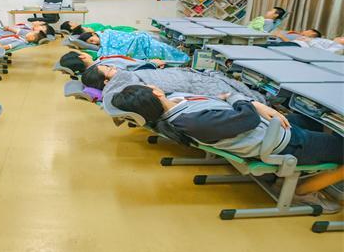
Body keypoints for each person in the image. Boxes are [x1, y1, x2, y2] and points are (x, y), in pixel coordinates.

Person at [111, 85, 342, 165]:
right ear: (156, 92)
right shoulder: (191, 121)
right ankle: (303, 193)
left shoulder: (176, 104)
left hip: (270, 127)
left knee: (318, 117)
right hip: (285, 143)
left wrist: (232, 99)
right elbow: (247, 117)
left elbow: (221, 99)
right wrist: (249, 101)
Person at [85, 64, 265, 103]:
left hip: (182, 76)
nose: (114, 67)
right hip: (190, 83)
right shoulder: (122, 86)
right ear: (107, 81)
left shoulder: (124, 78)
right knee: (218, 83)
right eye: (109, 69)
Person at [77, 30, 190, 63]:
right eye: (90, 43)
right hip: (135, 47)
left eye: (92, 40)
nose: (93, 43)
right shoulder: (102, 45)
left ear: (93, 34)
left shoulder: (107, 33)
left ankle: (182, 57)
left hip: (136, 40)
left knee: (160, 47)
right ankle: (180, 58)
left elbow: (123, 37)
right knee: (158, 50)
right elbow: (106, 53)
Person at [58, 50, 166, 75]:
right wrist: (153, 64)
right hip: (152, 70)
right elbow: (134, 73)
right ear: (82, 57)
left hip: (147, 65)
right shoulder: (105, 66)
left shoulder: (96, 67)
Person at [60, 21, 136, 35]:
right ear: (71, 27)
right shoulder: (83, 32)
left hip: (110, 28)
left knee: (127, 28)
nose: (74, 22)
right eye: (71, 22)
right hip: (109, 31)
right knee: (130, 31)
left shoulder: (82, 26)